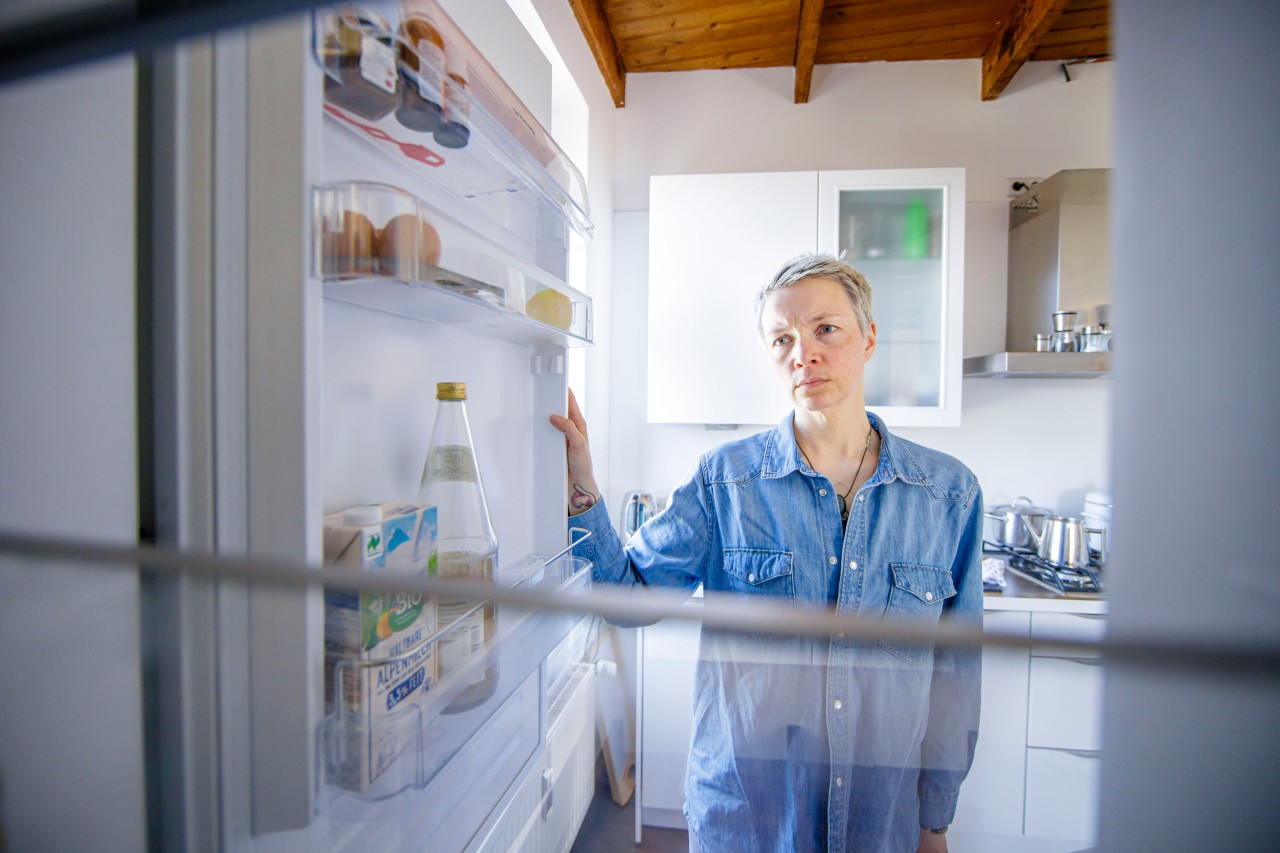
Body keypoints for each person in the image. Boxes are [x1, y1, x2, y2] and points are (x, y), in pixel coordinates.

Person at [550, 254, 983, 853]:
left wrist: (934, 822)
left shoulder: (948, 494)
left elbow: (955, 677)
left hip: (879, 823)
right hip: (747, 820)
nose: (803, 353)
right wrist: (582, 487)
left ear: (868, 339)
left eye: (825, 329)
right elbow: (629, 600)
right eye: (782, 338)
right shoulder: (725, 481)